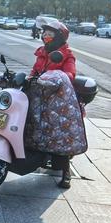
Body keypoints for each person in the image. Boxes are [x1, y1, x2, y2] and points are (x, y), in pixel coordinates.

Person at [30, 19, 78, 188]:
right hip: (41, 96)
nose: (45, 36)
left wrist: (53, 77)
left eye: (50, 34)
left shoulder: (66, 54)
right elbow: (35, 71)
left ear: (58, 36)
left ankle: (66, 172)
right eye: (44, 33)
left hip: (59, 99)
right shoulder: (42, 52)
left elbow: (70, 75)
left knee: (59, 134)